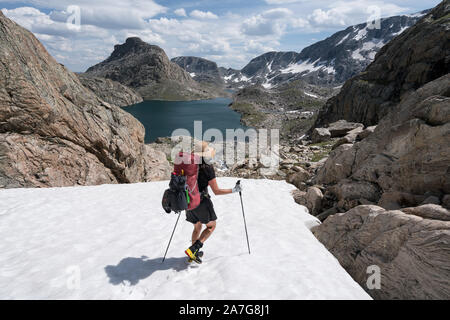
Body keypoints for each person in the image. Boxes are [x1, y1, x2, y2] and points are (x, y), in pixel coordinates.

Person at [185, 141, 242, 263]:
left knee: (197, 226)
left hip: (188, 201)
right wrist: (234, 190)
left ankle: (193, 253)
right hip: (201, 202)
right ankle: (194, 248)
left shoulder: (189, 164)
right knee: (211, 226)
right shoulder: (207, 168)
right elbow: (216, 191)